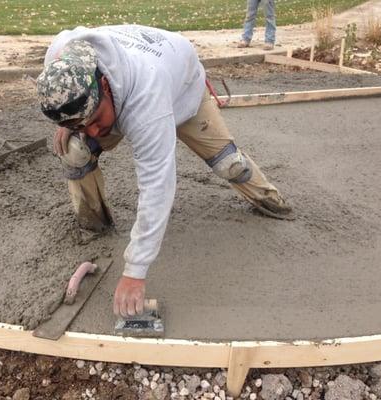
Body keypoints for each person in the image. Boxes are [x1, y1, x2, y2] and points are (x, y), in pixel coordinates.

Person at [36, 25, 292, 318]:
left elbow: (157, 183)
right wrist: (70, 123)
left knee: (229, 166)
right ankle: (94, 226)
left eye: (93, 119)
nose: (92, 131)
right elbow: (77, 109)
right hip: (122, 90)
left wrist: (135, 271)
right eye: (84, 123)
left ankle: (272, 201)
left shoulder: (146, 99)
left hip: (183, 91)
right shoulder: (61, 59)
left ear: (104, 87)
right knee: (74, 150)